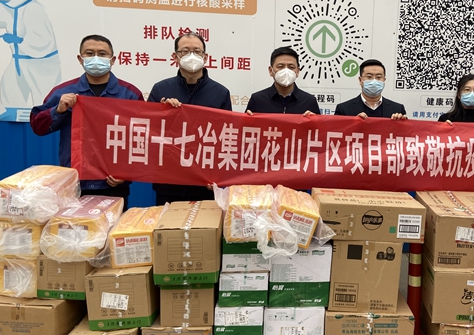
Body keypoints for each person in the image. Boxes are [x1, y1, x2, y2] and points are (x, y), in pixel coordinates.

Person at [30, 34, 143, 207]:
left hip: (113, 185)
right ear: (80, 59)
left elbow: (142, 140)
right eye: (89, 53)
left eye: (102, 54)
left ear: (113, 59)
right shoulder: (63, 92)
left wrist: (126, 173)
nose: (96, 58)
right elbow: (38, 126)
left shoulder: (129, 94)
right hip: (74, 184)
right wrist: (58, 110)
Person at [148, 32, 232, 205]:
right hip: (168, 182)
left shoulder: (221, 92)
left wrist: (217, 176)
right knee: (168, 222)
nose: (192, 56)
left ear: (205, 57)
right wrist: (162, 112)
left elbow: (225, 138)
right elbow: (147, 132)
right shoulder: (160, 89)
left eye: (197, 51)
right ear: (175, 56)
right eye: (185, 51)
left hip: (204, 183)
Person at [0, 0, 62, 106]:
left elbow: (44, 43)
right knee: (10, 95)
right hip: (18, 62)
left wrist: (19, 41)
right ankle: (10, 119)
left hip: (42, 66)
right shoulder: (7, 8)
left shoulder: (34, 9)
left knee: (44, 103)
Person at [245, 47, 320, 115]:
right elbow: (247, 125)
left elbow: (318, 126)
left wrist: (314, 121)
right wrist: (248, 119)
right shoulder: (258, 99)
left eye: (291, 67)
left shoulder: (309, 101)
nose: (286, 70)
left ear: (297, 71)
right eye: (280, 66)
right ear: (271, 71)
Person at [334, 59, 407, 120]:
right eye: (369, 77)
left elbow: (405, 132)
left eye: (378, 77)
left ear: (384, 80)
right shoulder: (343, 109)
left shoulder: (397, 109)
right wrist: (353, 123)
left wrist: (401, 123)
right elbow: (336, 131)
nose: (374, 81)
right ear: (360, 80)